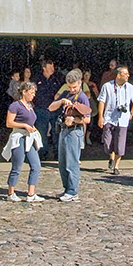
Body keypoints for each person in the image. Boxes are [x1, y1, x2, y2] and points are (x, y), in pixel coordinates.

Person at [49, 69, 91, 202]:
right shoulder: (66, 94)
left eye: (74, 87)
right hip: (63, 131)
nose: (72, 89)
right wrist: (62, 101)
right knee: (62, 162)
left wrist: (74, 120)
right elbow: (51, 107)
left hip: (74, 132)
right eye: (69, 87)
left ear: (80, 84)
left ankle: (73, 191)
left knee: (71, 163)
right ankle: (67, 189)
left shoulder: (83, 97)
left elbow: (87, 119)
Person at [1, 82, 44, 202]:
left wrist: (32, 127)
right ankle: (11, 193)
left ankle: (31, 194)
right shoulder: (15, 106)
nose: (33, 95)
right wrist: (24, 125)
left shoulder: (30, 106)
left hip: (29, 138)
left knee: (36, 165)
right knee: (17, 166)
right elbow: (9, 123)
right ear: (24, 92)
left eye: (34, 92)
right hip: (19, 137)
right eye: (31, 92)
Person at [97, 65, 133, 175]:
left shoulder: (130, 88)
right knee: (107, 143)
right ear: (118, 75)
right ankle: (111, 156)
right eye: (125, 74)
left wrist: (131, 113)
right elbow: (102, 101)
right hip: (109, 118)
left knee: (120, 145)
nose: (128, 76)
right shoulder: (107, 86)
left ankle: (116, 166)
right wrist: (100, 117)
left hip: (123, 120)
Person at [34, 59, 64, 160]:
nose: (52, 69)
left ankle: (57, 153)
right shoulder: (37, 80)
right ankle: (43, 154)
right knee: (42, 132)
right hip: (41, 109)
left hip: (54, 109)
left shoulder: (56, 80)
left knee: (56, 132)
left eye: (53, 67)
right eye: (50, 67)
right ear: (44, 68)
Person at [82, 69, 100, 145]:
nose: (86, 77)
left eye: (88, 75)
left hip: (91, 105)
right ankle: (82, 138)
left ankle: (87, 137)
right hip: (83, 105)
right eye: (85, 75)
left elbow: (97, 95)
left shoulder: (92, 85)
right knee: (83, 122)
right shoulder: (80, 84)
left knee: (91, 123)